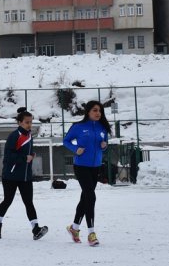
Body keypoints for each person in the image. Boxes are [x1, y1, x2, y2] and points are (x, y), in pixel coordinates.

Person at [0, 107, 48, 240]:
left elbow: (26, 153)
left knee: (29, 202)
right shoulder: (14, 136)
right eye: (27, 122)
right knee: (7, 201)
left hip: (25, 176)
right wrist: (24, 158)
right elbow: (9, 156)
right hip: (10, 176)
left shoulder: (29, 136)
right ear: (19, 123)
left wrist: (31, 155)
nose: (30, 125)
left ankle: (35, 228)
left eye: (31, 122)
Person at [62, 100, 111, 246]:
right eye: (95, 110)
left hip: (95, 167)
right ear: (88, 112)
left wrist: (104, 146)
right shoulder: (78, 127)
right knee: (91, 195)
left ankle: (74, 228)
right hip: (81, 166)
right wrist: (75, 149)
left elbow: (104, 145)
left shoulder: (103, 127)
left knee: (86, 197)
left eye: (100, 111)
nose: (98, 113)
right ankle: (91, 233)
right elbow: (66, 141)